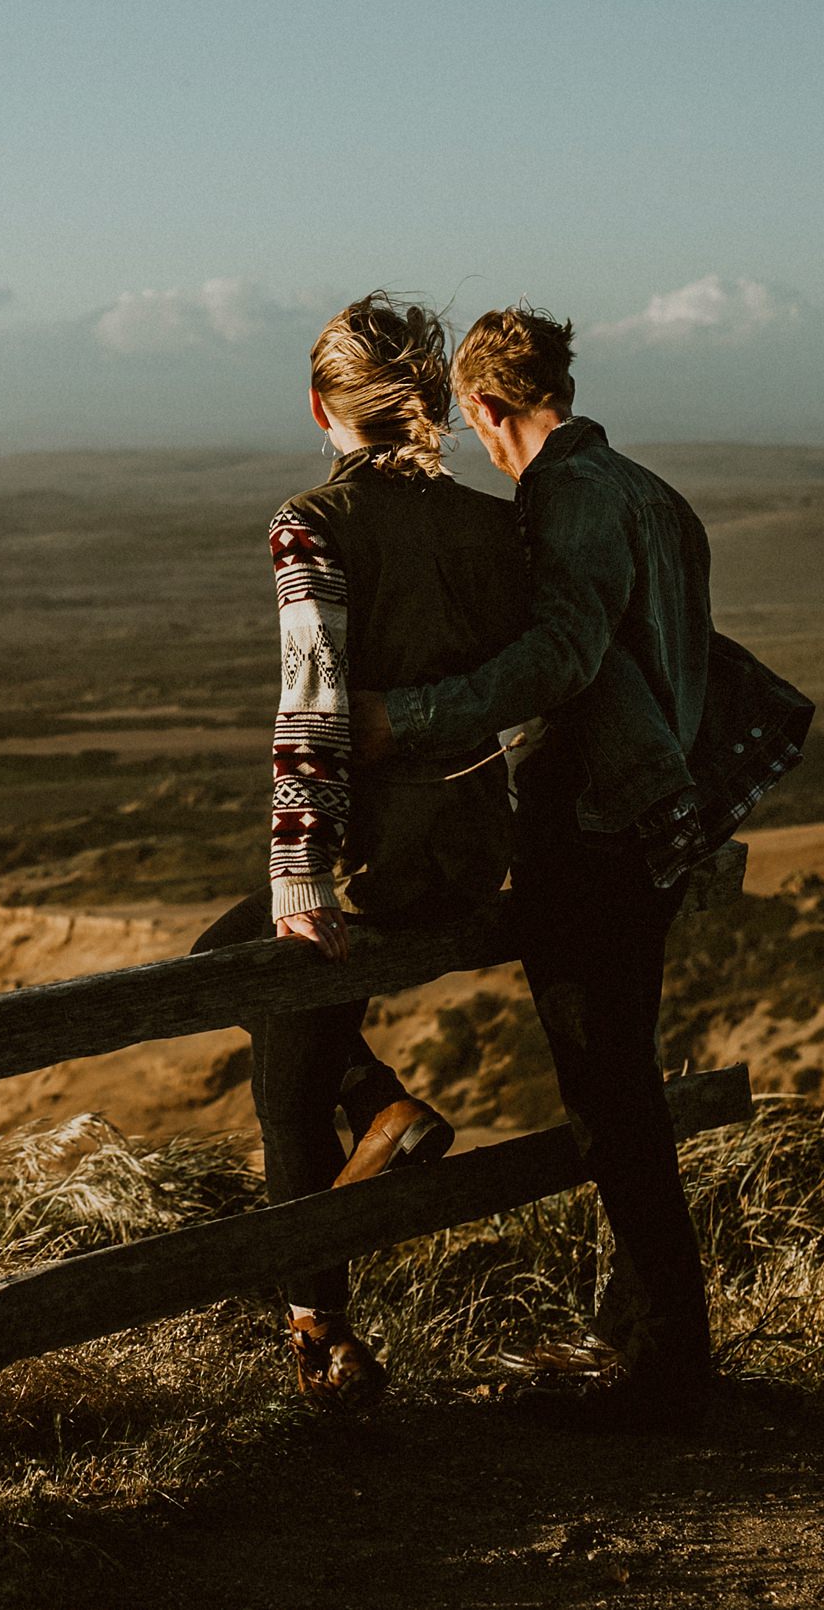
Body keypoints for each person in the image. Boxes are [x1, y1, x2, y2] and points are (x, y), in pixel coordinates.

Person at [352, 304, 754, 1421]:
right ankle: (641, 1334)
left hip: (593, 829)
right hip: (655, 818)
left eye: (473, 424)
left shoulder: (569, 500)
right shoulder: (647, 493)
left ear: (485, 407)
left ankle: (667, 1361)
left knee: (606, 1094)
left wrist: (411, 717)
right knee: (619, 1077)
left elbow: (562, 657)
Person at [193, 292, 530, 1403]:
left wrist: (301, 873)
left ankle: (320, 1328)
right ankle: (375, 1115)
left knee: (262, 1005)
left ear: (314, 405)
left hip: (380, 858)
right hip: (473, 847)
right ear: (431, 405)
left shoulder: (313, 519)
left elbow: (314, 702)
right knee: (264, 997)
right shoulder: (492, 525)